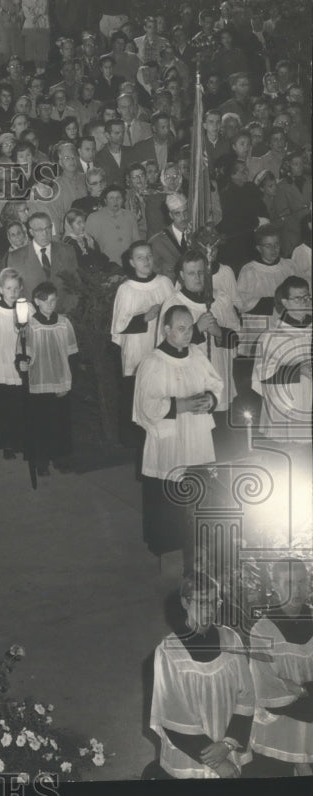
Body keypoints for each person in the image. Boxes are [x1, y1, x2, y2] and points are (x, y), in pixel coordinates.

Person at [133, 306, 223, 564]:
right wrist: (181, 405)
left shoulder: (197, 355)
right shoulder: (153, 362)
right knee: (170, 501)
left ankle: (201, 550)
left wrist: (210, 399)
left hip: (197, 437)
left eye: (190, 328)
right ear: (166, 330)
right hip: (169, 442)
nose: (188, 333)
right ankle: (171, 555)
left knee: (200, 494)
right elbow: (145, 407)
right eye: (181, 328)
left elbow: (215, 383)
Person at [149, 572, 254, 779]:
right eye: (202, 602)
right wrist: (217, 762)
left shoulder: (231, 640)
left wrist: (227, 744)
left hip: (229, 745)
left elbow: (247, 697)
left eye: (215, 602)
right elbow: (172, 716)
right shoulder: (169, 652)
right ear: (185, 603)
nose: (210, 610)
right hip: (191, 755)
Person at [157, 252, 241, 438]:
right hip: (188, 384)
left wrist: (219, 332)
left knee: (222, 438)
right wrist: (197, 329)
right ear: (181, 275)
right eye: (191, 273)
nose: (197, 277)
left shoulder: (221, 298)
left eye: (201, 272)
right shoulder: (173, 304)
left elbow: (238, 337)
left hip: (219, 376)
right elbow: (165, 348)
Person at [246, 559, 313, 777]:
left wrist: (300, 689)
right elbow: (266, 687)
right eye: (289, 583)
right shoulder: (262, 631)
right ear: (275, 586)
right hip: (281, 729)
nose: (297, 590)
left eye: (302, 582)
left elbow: (289, 686)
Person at [111, 242, 175, 446]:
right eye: (140, 257)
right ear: (132, 262)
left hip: (163, 347)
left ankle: (164, 438)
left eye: (149, 256)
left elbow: (177, 313)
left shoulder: (165, 283)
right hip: (137, 349)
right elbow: (118, 326)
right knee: (138, 395)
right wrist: (143, 318)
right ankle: (138, 442)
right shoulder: (126, 289)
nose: (146, 261)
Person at [24, 281, 79, 475]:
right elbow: (25, 353)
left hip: (61, 381)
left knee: (61, 423)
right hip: (40, 381)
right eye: (45, 300)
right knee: (41, 423)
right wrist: (22, 362)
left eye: (53, 300)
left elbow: (72, 354)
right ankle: (41, 461)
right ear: (36, 301)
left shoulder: (64, 323)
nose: (50, 304)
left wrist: (68, 381)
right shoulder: (31, 325)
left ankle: (61, 457)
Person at [251, 276, 312, 442]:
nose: (305, 302)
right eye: (298, 298)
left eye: (307, 297)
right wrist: (298, 370)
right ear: (285, 302)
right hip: (287, 407)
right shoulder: (271, 336)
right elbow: (264, 375)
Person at [0, 268, 28, 461]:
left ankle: (21, 441)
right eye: (8, 288)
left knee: (20, 405)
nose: (13, 292)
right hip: (1, 365)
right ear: (0, 290)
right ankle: (6, 444)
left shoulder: (26, 309)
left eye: (16, 288)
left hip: (20, 367)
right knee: (4, 407)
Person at [6, 211, 80, 314]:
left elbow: (75, 286)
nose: (44, 234)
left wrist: (67, 312)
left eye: (47, 228)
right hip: (32, 317)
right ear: (31, 232)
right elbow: (15, 293)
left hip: (63, 315)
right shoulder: (15, 257)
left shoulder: (67, 251)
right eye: (39, 230)